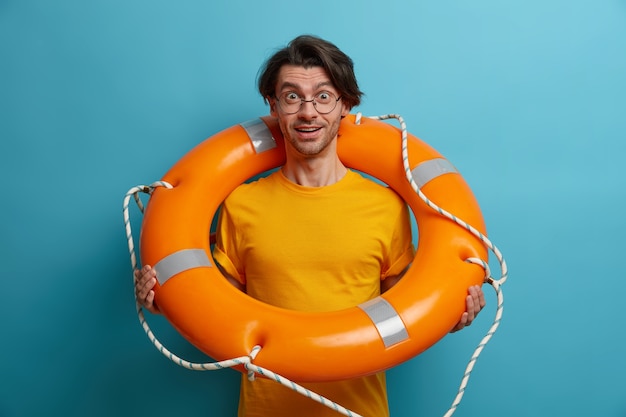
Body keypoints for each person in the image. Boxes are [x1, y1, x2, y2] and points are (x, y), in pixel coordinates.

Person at [134, 34, 486, 417]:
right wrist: (165, 301)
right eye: (291, 97)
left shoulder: (386, 206)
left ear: (344, 106)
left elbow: (409, 309)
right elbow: (216, 310)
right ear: (273, 106)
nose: (307, 112)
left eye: (323, 96)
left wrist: (448, 314)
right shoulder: (240, 204)